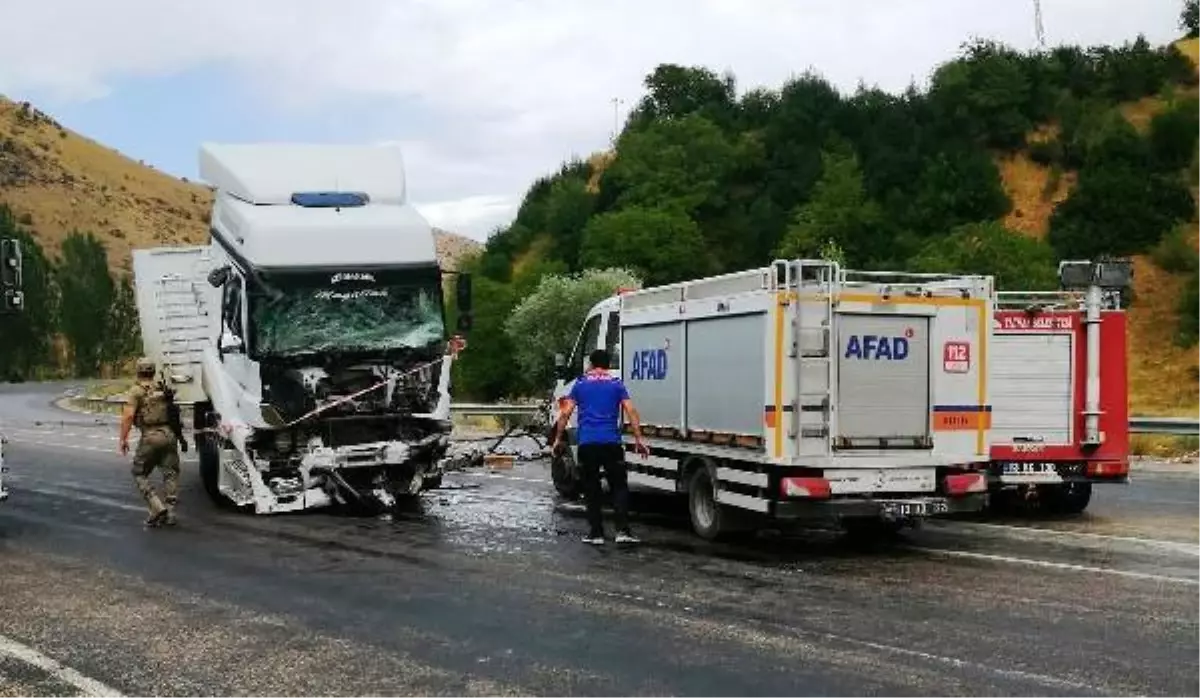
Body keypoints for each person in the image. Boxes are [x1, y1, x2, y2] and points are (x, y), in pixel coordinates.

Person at [552, 348, 649, 546]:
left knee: (591, 487)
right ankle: (622, 531)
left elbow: (565, 413)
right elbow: (630, 410)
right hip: (611, 442)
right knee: (619, 487)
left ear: (591, 364)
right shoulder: (616, 385)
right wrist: (639, 439)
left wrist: (557, 439)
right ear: (607, 365)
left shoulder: (580, 385)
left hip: (587, 443)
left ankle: (596, 533)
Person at [119, 357, 187, 527]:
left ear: (138, 371)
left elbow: (128, 415)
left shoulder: (136, 391)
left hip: (150, 436)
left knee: (139, 472)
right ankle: (170, 513)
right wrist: (180, 437)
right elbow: (174, 413)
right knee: (170, 473)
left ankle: (156, 506)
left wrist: (123, 438)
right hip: (169, 435)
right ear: (153, 371)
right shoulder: (162, 389)